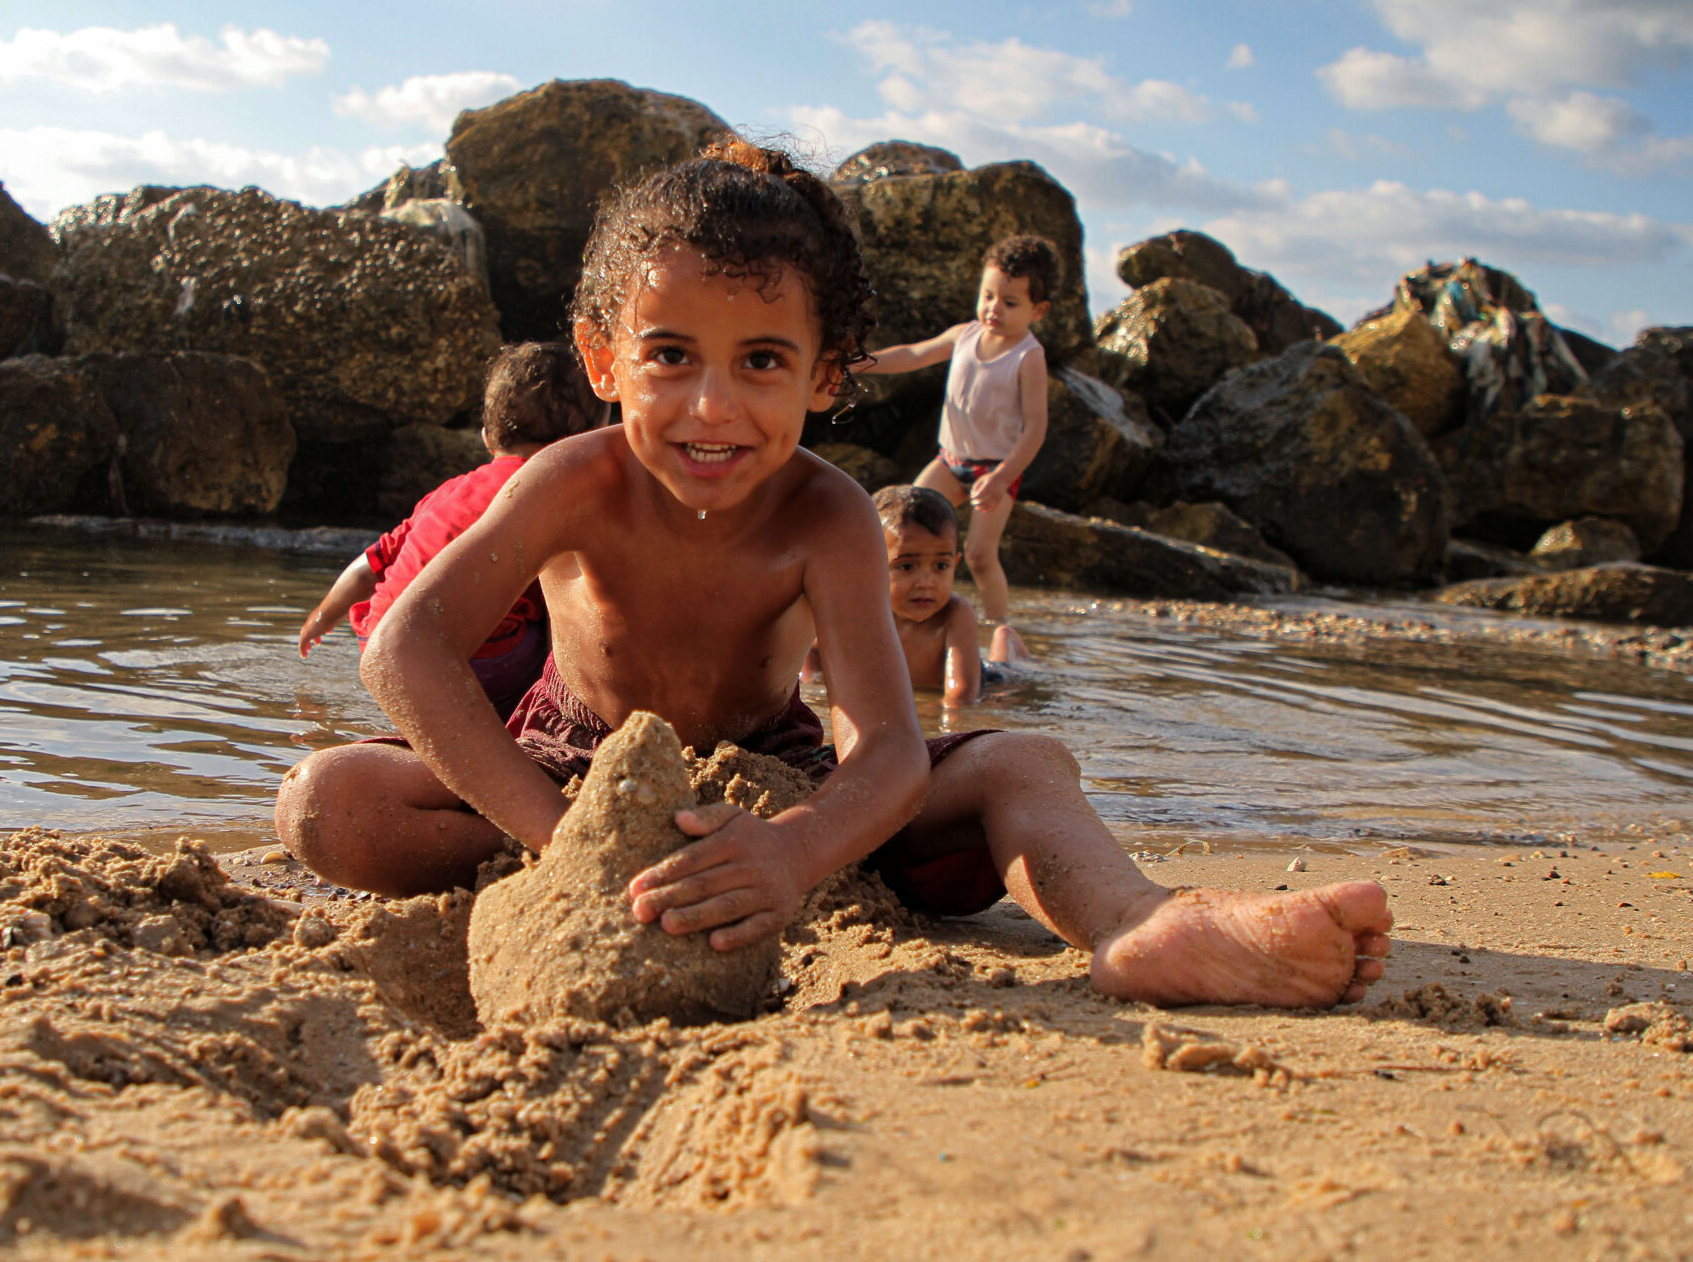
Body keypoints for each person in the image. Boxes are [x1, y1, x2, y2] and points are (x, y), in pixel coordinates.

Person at [275, 140, 1391, 1009]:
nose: (711, 404)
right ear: (603, 358)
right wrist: (556, 831)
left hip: (768, 779)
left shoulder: (826, 515)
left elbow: (888, 745)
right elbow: (403, 649)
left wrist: (799, 849)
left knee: (1023, 760)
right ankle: (556, 856)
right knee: (326, 804)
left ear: (824, 376)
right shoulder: (570, 481)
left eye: (761, 361)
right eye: (669, 355)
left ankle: (1136, 920)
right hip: (564, 768)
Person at [295, 341, 604, 717]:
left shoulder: (448, 492)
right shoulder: (555, 497)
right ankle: (531, 719)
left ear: (487, 437)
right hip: (478, 662)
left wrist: (321, 618)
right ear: (584, 444)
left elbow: (366, 567)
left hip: (382, 648)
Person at [858, 234, 1059, 644]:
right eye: (987, 296)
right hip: (950, 461)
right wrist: (864, 363)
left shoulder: (1028, 356)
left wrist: (1002, 477)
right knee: (900, 528)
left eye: (1009, 303)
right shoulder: (965, 335)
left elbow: (1036, 428)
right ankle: (884, 611)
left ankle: (1000, 631)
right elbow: (914, 355)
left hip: (994, 469)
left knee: (981, 555)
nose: (993, 309)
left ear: (1038, 310)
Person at [804, 485, 1030, 707]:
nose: (925, 583)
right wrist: (811, 687)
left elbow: (961, 695)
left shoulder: (955, 613)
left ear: (955, 564)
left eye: (941, 565)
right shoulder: (854, 611)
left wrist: (920, 716)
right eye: (906, 567)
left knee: (1005, 675)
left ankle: (1006, 638)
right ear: (865, 565)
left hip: (989, 682)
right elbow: (810, 653)